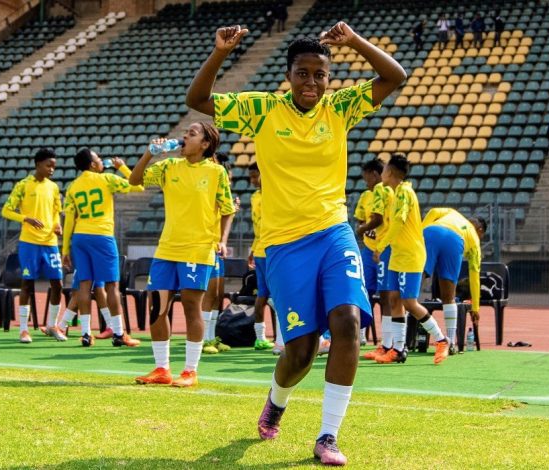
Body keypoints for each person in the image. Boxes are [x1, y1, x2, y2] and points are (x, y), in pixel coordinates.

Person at [186, 22, 406, 465]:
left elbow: (394, 77)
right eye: (303, 73)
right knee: (300, 353)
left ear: (329, 77)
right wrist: (220, 53)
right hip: (284, 246)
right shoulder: (263, 109)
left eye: (320, 74)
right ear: (288, 76)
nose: (312, 82)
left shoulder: (340, 107)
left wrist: (356, 42)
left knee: (348, 322)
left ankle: (328, 436)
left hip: (334, 231)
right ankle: (277, 399)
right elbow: (198, 101)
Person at [130, 122, 235, 387]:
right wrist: (149, 153)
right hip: (167, 248)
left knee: (191, 306)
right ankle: (161, 369)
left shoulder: (216, 172)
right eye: (185, 132)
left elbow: (227, 208)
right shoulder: (168, 167)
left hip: (198, 249)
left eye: (192, 133)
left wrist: (221, 240)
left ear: (205, 144)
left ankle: (190, 371)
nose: (185, 136)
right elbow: (135, 180)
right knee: (158, 308)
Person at [373, 154, 450, 365]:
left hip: (410, 255)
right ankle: (398, 349)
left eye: (385, 168)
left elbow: (398, 222)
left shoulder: (404, 192)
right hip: (399, 254)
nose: (382, 172)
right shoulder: (397, 192)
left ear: (390, 172)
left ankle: (442, 340)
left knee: (409, 302)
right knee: (394, 300)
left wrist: (382, 244)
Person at [61, 150, 142, 348]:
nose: (101, 162)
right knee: (112, 286)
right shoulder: (107, 178)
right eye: (98, 159)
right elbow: (137, 186)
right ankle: (118, 333)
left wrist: (64, 250)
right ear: (91, 165)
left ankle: (86, 334)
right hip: (102, 236)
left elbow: (69, 218)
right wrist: (121, 166)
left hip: (80, 238)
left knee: (84, 286)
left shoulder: (72, 187)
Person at [1, 148, 64, 343]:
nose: (52, 169)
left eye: (54, 166)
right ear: (38, 165)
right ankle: (23, 330)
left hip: (50, 242)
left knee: (58, 284)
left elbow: (56, 211)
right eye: (48, 165)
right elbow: (6, 210)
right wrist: (25, 218)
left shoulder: (53, 187)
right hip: (29, 243)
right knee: (27, 284)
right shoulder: (23, 185)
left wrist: (57, 224)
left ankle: (52, 325)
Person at [421, 207, 486, 355]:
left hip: (432, 231)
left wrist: (422, 231)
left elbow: (432, 212)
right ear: (480, 230)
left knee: (414, 286)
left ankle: (399, 341)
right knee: (449, 296)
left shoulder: (452, 212)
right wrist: (475, 307)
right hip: (455, 241)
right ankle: (450, 342)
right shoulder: (475, 240)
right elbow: (474, 276)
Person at [354, 158, 394, 354]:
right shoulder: (365, 196)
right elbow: (361, 218)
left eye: (367, 178)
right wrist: (362, 228)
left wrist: (362, 229)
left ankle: (388, 341)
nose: (366, 183)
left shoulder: (384, 192)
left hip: (384, 248)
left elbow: (377, 220)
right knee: (364, 292)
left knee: (387, 295)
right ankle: (360, 335)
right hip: (369, 250)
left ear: (375, 174)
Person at [200, 152, 237, 355]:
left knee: (217, 295)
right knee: (209, 294)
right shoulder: (208, 187)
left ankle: (212, 337)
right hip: (207, 246)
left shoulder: (221, 194)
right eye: (227, 178)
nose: (229, 182)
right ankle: (204, 340)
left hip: (217, 247)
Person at [248, 162, 276, 351]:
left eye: (255, 176)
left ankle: (260, 337)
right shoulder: (268, 196)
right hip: (269, 249)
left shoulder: (255, 197)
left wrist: (252, 248)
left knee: (263, 294)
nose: (253, 180)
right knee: (272, 295)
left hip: (260, 249)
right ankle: (283, 336)